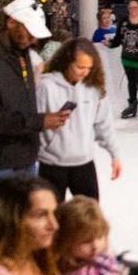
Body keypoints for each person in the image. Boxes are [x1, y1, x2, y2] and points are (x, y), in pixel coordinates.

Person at [0, 0, 68, 211]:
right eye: (28, 31)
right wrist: (38, 121)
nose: (33, 39)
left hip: (24, 155)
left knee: (26, 225)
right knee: (2, 230)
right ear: (10, 22)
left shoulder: (22, 51)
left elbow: (23, 100)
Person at [36, 40, 120, 202]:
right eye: (80, 67)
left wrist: (114, 154)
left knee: (90, 220)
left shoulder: (94, 88)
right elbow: (35, 122)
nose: (85, 73)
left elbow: (104, 124)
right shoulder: (46, 87)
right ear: (67, 61)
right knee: (51, 220)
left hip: (84, 164)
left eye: (89, 68)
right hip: (51, 165)